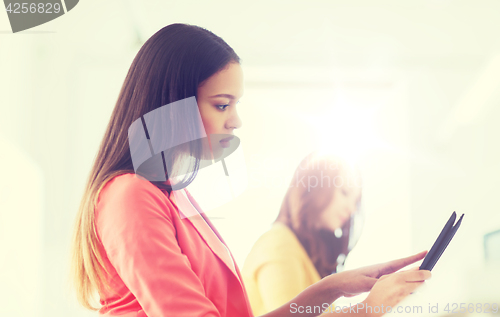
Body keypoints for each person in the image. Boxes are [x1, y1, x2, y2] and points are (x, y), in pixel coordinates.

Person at [70, 23, 431, 317]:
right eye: (222, 105)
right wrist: (366, 312)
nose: (236, 121)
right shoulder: (130, 196)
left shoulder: (172, 196)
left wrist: (333, 287)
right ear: (173, 104)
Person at [242, 152, 364, 315]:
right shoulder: (279, 243)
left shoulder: (301, 252)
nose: (351, 208)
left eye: (355, 201)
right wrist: (373, 305)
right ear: (314, 185)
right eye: (344, 192)